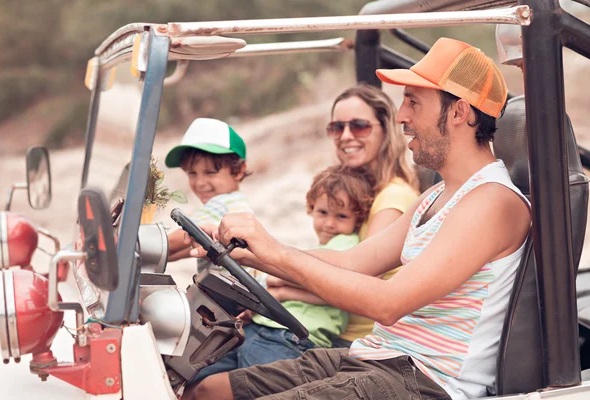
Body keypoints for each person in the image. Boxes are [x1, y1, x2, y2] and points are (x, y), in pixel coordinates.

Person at [186, 37, 531, 400]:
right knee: (206, 390)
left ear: (460, 112)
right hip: (378, 357)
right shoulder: (437, 195)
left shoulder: (493, 201)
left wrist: (277, 255)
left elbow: (389, 302)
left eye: (413, 101)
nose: (401, 116)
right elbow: (353, 261)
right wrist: (248, 248)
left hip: (424, 380)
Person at [189, 165, 376, 383]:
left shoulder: (346, 244)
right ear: (311, 209)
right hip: (265, 328)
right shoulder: (321, 246)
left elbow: (330, 291)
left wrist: (281, 288)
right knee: (195, 374)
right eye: (323, 213)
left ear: (358, 219)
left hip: (289, 338)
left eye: (341, 216)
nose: (329, 223)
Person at [272, 85, 421, 348]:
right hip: (328, 324)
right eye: (337, 128)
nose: (346, 136)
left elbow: (362, 281)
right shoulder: (356, 194)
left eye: (359, 126)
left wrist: (280, 275)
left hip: (359, 341)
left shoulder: (392, 198)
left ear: (386, 131)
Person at [166, 117, 253, 274]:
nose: (200, 183)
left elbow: (173, 242)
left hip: (229, 297)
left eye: (210, 172)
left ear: (239, 170)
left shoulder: (220, 205)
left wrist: (131, 243)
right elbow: (178, 250)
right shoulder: (238, 203)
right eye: (192, 173)